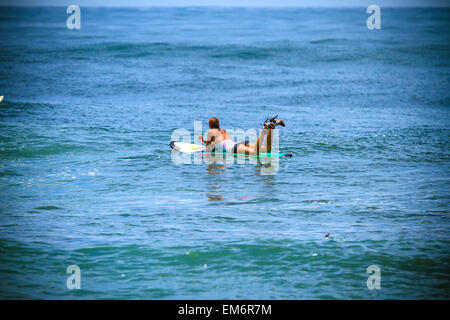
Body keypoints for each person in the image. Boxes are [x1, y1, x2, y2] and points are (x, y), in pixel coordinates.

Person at [198, 116, 285, 155]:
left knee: (256, 152)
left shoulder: (210, 132)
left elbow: (208, 149)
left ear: (210, 126)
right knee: (267, 150)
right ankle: (273, 124)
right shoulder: (223, 131)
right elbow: (216, 142)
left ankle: (265, 128)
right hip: (240, 143)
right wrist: (204, 141)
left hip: (234, 148)